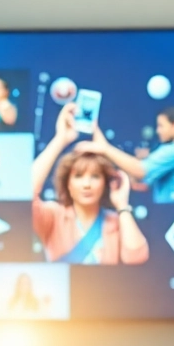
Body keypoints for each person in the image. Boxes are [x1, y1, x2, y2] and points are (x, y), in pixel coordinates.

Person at [31, 103, 149, 265]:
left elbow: (136, 259)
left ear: (105, 183)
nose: (87, 184)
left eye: (95, 176)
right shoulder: (53, 215)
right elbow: (24, 193)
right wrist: (60, 139)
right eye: (78, 176)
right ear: (68, 183)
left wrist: (122, 206)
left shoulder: (115, 221)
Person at [76, 105, 174, 203]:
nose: (158, 131)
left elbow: (141, 171)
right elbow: (141, 184)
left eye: (161, 126)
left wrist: (105, 148)